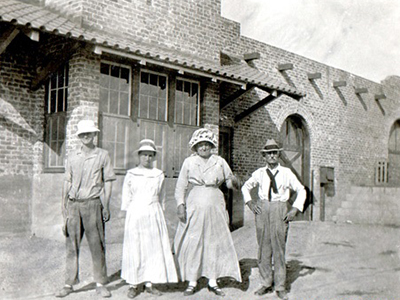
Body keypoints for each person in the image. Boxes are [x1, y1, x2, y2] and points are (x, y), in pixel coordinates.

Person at [174, 128, 242, 297]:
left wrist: (233, 181)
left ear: (211, 146)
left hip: (215, 202)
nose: (203, 148)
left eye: (207, 145)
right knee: (194, 241)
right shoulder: (189, 162)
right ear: (195, 147)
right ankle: (192, 280)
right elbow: (181, 186)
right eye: (200, 145)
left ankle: (213, 280)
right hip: (195, 202)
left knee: (214, 241)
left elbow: (228, 182)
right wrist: (181, 205)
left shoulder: (219, 161)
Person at [56, 119, 116, 298]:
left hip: (93, 204)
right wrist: (64, 207)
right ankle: (69, 283)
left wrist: (105, 205)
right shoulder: (72, 156)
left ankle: (100, 283)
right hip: (74, 205)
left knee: (97, 245)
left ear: (94, 135)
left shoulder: (103, 155)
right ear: (79, 136)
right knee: (71, 245)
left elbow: (109, 182)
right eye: (82, 134)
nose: (85, 137)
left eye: (89, 133)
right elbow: (67, 181)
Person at [241, 139, 306, 300]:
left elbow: (301, 190)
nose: (271, 156)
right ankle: (265, 282)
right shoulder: (259, 173)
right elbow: (245, 187)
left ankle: (280, 285)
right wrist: (250, 203)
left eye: (274, 153)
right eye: (268, 153)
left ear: (278, 155)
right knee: (264, 247)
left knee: (278, 247)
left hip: (279, 207)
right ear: (264, 156)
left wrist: (295, 209)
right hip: (263, 209)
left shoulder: (286, 173)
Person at [120, 139, 178, 298]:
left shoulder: (158, 174)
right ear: (139, 156)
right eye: (144, 155)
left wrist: (159, 211)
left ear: (154, 157)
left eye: (150, 155)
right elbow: (127, 196)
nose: (147, 158)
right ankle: (133, 283)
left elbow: (162, 197)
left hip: (153, 212)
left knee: (152, 248)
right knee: (136, 246)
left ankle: (150, 283)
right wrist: (128, 213)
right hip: (136, 213)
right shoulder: (131, 174)